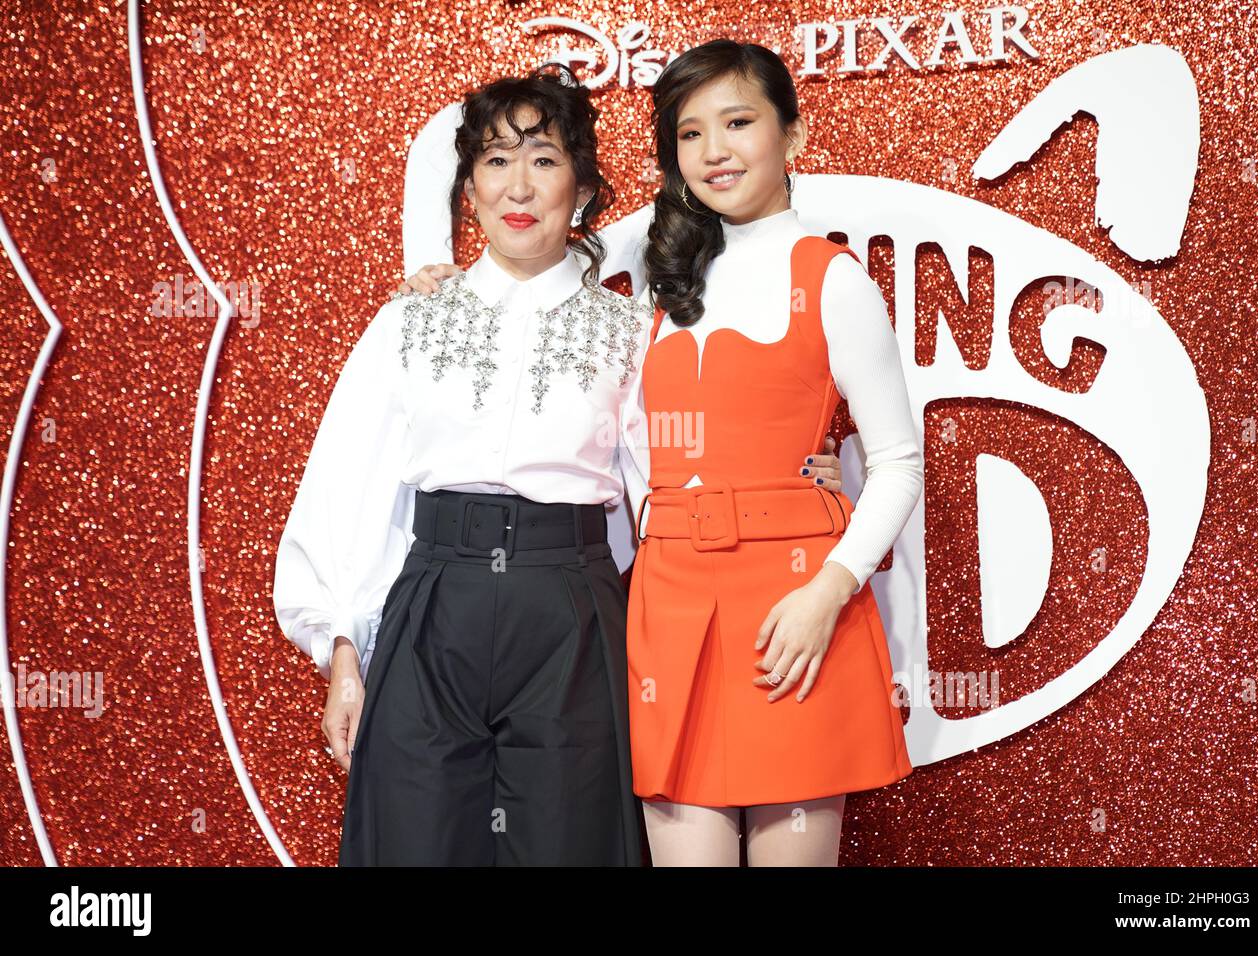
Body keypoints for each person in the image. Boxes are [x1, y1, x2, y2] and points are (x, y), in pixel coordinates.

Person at [276, 63, 841, 866]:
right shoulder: (408, 322)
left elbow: (678, 479)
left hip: (572, 617)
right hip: (433, 611)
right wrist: (342, 649)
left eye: (543, 159)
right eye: (495, 160)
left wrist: (799, 476)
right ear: (467, 190)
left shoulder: (633, 331)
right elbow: (348, 487)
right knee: (413, 842)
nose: (518, 184)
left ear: (580, 189)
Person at [622, 39, 924, 866]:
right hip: (673, 604)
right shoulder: (659, 283)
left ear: (791, 134)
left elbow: (898, 460)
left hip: (795, 607)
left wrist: (830, 589)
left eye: (739, 121)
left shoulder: (832, 279)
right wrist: (439, 281)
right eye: (689, 133)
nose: (714, 150)